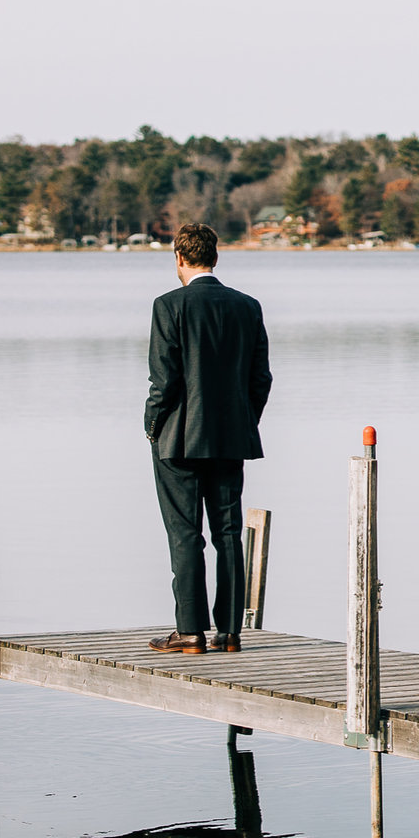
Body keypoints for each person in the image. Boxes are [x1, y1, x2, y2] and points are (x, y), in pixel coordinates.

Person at [144, 222, 271, 655]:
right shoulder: (247, 306)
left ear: (179, 258)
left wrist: (151, 426)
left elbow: (164, 381)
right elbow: (261, 379)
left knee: (185, 534)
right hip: (230, 437)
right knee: (228, 532)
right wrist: (241, 420)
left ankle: (191, 631)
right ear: (215, 257)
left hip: (178, 440)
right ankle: (230, 631)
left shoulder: (168, 306)